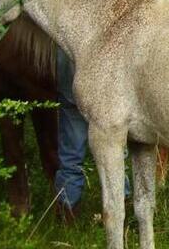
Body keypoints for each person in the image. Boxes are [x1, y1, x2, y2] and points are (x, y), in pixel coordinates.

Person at [54, 47, 130, 219]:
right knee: (115, 149)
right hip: (105, 87)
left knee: (71, 152)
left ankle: (67, 210)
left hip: (70, 72)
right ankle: (122, 205)